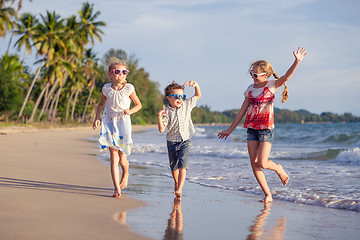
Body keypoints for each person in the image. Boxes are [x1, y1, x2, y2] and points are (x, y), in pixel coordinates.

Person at [218, 47, 307, 202]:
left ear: (266, 75)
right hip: (252, 129)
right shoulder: (250, 89)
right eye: (251, 73)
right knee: (254, 164)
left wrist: (296, 61)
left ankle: (278, 168)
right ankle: (268, 194)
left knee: (263, 162)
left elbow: (286, 77)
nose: (252, 76)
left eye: (256, 74)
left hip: (266, 129)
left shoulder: (271, 85)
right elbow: (241, 112)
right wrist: (229, 130)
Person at [93, 57, 142, 198]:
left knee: (122, 159)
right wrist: (97, 118)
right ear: (110, 74)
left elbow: (139, 104)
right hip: (109, 122)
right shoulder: (106, 88)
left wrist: (130, 111)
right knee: (113, 157)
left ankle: (126, 173)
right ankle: (116, 188)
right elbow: (101, 104)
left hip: (123, 123)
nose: (121, 74)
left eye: (124, 72)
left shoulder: (129, 88)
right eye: (117, 71)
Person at [158, 81, 201, 199]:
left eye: (182, 96)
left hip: (185, 140)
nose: (180, 99)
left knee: (183, 165)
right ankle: (176, 184)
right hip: (171, 141)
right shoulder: (166, 111)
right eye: (177, 96)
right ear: (168, 98)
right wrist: (159, 117)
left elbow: (197, 96)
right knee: (174, 166)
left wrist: (196, 85)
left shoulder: (186, 105)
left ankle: (180, 189)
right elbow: (161, 129)